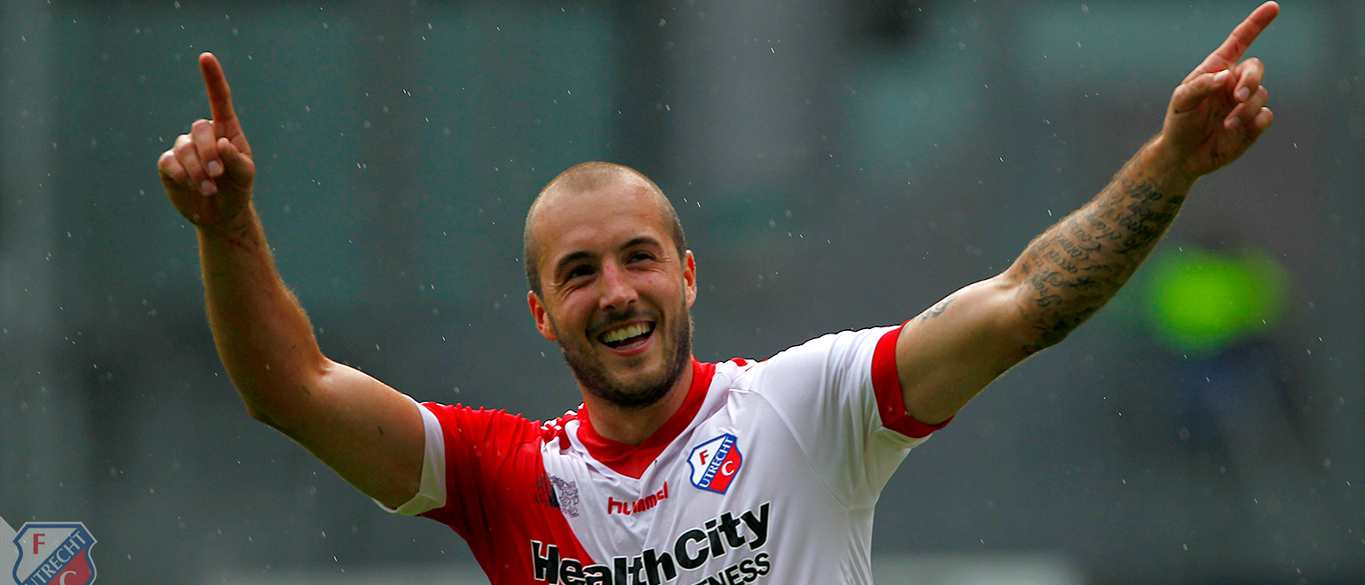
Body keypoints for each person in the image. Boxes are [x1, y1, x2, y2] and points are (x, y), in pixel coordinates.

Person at [156, 3, 1279, 583]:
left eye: (639, 257)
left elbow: (1028, 301)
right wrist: (228, 226)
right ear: (541, 315)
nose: (617, 291)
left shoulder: (811, 405)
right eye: (578, 273)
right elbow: (291, 387)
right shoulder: (502, 477)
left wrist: (1170, 162)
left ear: (687, 275)